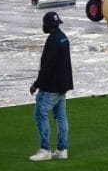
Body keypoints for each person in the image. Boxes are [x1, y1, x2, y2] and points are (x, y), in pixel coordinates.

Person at [29, 11, 74, 161]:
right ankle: (62, 150)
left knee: (40, 114)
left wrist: (36, 84)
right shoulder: (63, 38)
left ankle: (45, 149)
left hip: (51, 87)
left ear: (47, 25)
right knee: (61, 117)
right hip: (63, 85)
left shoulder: (53, 41)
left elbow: (47, 67)